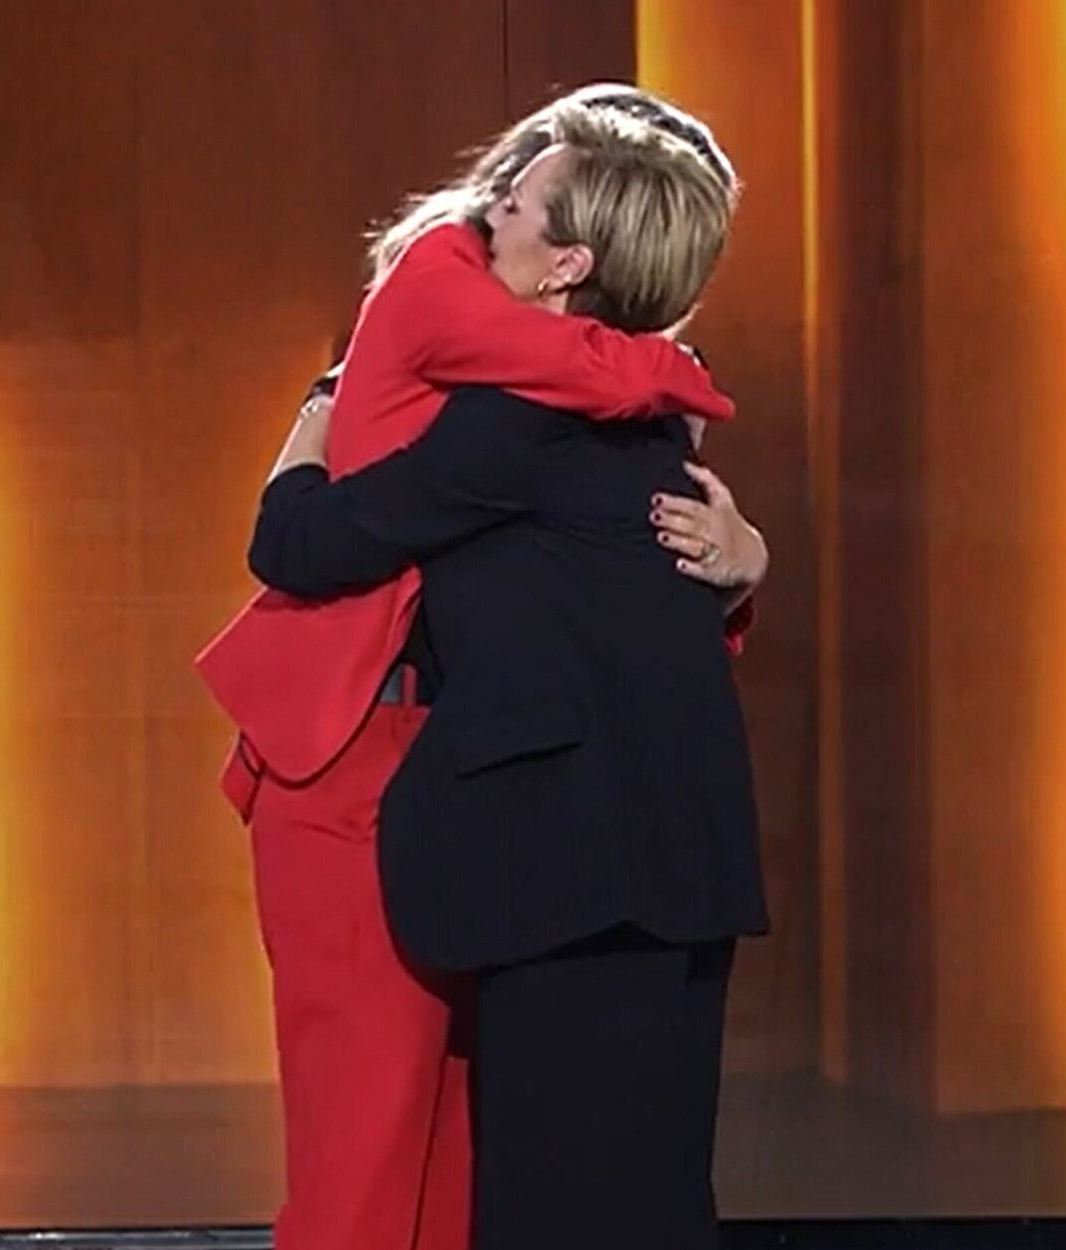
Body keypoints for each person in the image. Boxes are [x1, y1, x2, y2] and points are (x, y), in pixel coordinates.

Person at [196, 86, 763, 1250]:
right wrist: (311, 426)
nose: (480, 212)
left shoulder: (549, 402)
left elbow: (622, 599)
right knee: (390, 1160)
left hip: (510, 822)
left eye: (514, 200)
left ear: (568, 263)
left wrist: (742, 565)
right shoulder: (548, 366)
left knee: (501, 1173)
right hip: (393, 782)